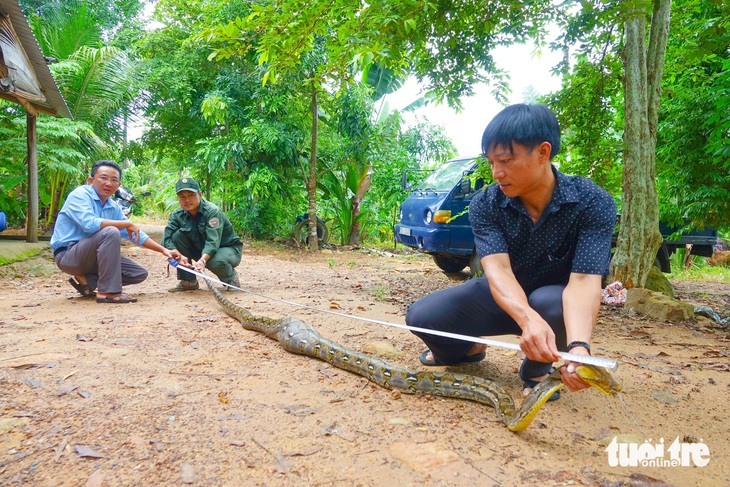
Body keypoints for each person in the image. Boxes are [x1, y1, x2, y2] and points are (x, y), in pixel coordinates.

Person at [406, 103, 617, 399]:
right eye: (492, 162)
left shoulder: (593, 202)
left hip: (553, 306)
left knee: (551, 302)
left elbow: (584, 282)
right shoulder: (486, 203)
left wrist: (579, 346)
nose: (496, 172)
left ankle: (537, 369)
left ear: (543, 152)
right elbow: (499, 271)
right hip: (501, 296)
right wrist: (527, 320)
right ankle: (468, 349)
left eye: (504, 160)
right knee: (422, 316)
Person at [51, 160, 176, 303]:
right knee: (111, 231)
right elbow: (90, 224)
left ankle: (87, 280)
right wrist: (126, 223)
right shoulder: (80, 195)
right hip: (69, 255)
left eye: (114, 180)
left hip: (93, 258)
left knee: (138, 274)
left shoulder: (113, 207)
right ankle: (107, 292)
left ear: (119, 185)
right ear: (91, 180)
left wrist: (164, 250)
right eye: (103, 178)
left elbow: (136, 235)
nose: (108, 183)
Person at [163, 177, 242, 291]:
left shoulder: (212, 212)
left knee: (215, 261)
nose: (187, 200)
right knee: (176, 237)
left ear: (199, 195)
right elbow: (167, 238)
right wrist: (177, 255)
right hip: (202, 249)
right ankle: (188, 281)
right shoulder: (176, 215)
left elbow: (212, 242)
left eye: (191, 195)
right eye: (182, 197)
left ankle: (231, 280)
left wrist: (203, 260)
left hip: (227, 249)